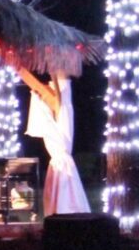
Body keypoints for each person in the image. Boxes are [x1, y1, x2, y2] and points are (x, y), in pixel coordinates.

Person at [20, 69, 90, 215]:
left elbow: (61, 99)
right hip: (60, 93)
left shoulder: (62, 108)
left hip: (62, 93)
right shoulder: (59, 107)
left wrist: (54, 74)